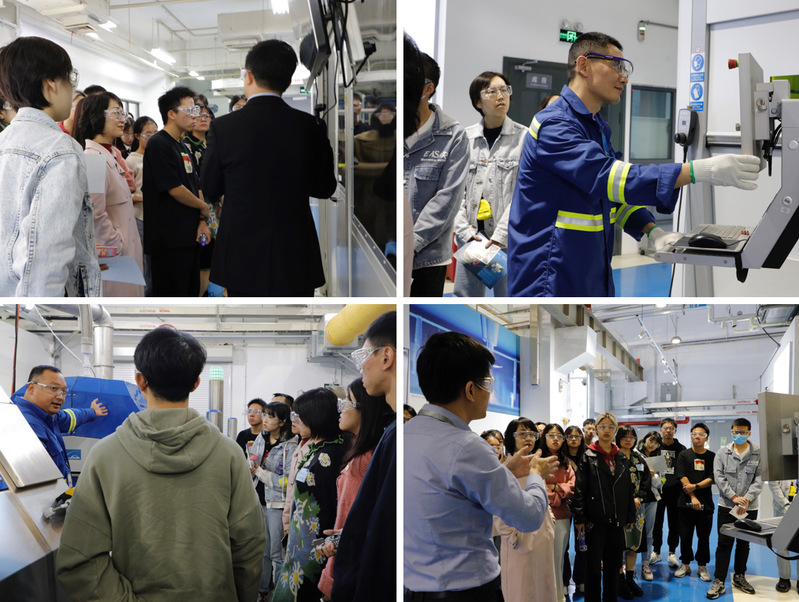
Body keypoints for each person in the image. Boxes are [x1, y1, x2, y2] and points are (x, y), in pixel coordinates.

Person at [507, 31, 761, 296]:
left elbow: (610, 196)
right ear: (583, 65)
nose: (624, 78)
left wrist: (652, 232)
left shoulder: (595, 126)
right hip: (549, 276)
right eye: (616, 66)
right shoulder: (555, 125)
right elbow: (610, 178)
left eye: (625, 69)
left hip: (588, 271)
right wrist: (699, 170)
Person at [56, 327, 265, 601]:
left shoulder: (104, 455)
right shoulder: (229, 454)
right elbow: (249, 545)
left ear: (140, 381)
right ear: (196, 383)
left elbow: (79, 560)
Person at [404, 331, 559, 601]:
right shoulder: (468, 446)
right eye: (487, 383)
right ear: (470, 390)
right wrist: (536, 474)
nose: (490, 391)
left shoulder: (404, 434)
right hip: (467, 590)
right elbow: (529, 516)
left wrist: (504, 471)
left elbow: (450, 491)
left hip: (415, 588)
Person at [202, 39, 336, 297]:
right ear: (287, 81)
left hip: (241, 253)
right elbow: (324, 187)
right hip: (295, 251)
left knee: (247, 314)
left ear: (249, 76)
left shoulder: (223, 128)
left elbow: (209, 186)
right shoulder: (311, 126)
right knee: (297, 313)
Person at [0, 36, 101, 296]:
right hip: (37, 308)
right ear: (51, 84)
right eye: (70, 78)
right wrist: (40, 316)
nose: (72, 88)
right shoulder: (59, 150)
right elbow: (45, 259)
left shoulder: (4, 141)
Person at [331, 311, 397, 601]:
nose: (361, 368)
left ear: (386, 357)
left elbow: (381, 531)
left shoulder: (392, 438)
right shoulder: (390, 434)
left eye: (364, 356)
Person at [453, 71, 525, 297]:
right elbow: (455, 192)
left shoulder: (524, 138)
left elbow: (522, 194)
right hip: (472, 239)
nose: (500, 96)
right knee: (465, 298)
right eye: (492, 91)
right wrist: (464, 232)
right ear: (478, 102)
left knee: (510, 299)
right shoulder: (465, 139)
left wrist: (499, 237)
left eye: (504, 90)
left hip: (507, 240)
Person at [318, 378, 390, 599]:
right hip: (344, 556)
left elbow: (363, 518)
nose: (341, 409)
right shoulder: (359, 451)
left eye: (347, 401)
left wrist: (345, 537)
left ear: (364, 409)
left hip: (350, 564)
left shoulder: (366, 459)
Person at [405, 53, 469, 296]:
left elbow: (448, 198)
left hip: (428, 259)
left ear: (427, 89)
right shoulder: (392, 131)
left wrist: (411, 244)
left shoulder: (453, 135)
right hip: (390, 252)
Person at [273, 388, 345, 602]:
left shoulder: (329, 455)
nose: (294, 420)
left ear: (316, 417)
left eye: (299, 415)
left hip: (316, 549)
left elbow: (330, 507)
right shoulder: (317, 447)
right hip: (301, 546)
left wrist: (323, 545)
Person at [73, 91, 144, 296]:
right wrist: (115, 243)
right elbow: (94, 213)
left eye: (123, 113)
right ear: (96, 116)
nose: (123, 120)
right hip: (114, 256)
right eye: (116, 113)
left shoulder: (111, 153)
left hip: (125, 250)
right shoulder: (93, 159)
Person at [142, 86, 210, 296]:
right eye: (189, 110)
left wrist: (202, 220)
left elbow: (195, 184)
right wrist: (204, 207)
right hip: (169, 241)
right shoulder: (158, 143)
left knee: (190, 293)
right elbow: (174, 188)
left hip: (188, 237)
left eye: (195, 110)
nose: (194, 116)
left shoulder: (182, 144)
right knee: (171, 297)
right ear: (171, 114)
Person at [573, 412, 635, 602]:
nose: (606, 430)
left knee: (613, 565)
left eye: (610, 427)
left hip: (616, 521)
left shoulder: (621, 457)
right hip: (595, 520)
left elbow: (627, 488)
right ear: (596, 430)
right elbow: (580, 489)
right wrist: (580, 518)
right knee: (593, 567)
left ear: (615, 430)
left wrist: (630, 516)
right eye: (602, 426)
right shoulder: (588, 456)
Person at [13, 365, 107, 486]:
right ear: (31, 388)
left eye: (63, 391)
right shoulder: (27, 425)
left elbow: (70, 417)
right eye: (53, 388)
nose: (60, 397)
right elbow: (35, 481)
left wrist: (92, 412)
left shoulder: (48, 417)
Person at [706, 418, 762, 599]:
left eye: (742, 432)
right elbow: (719, 477)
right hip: (727, 506)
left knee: (744, 543)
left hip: (749, 507)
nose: (739, 435)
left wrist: (746, 499)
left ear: (749, 433)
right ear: (731, 432)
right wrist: (733, 497)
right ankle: (719, 580)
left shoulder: (758, 453)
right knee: (724, 543)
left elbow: (759, 479)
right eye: (736, 432)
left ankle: (740, 576)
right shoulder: (722, 453)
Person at [251, 401, 299, 602]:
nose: (265, 420)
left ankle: (279, 595)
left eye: (271, 417)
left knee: (276, 554)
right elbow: (253, 462)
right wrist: (252, 467)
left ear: (282, 422)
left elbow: (287, 481)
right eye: (264, 415)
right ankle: (263, 592)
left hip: (277, 505)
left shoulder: (290, 445)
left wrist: (260, 472)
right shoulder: (261, 438)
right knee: (262, 552)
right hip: (258, 501)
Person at [184, 101, 219, 296]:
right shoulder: (187, 146)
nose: (204, 119)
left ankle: (207, 293)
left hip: (215, 206)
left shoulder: (213, 144)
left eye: (207, 116)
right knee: (202, 257)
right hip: (199, 207)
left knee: (212, 256)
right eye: (199, 115)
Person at [673, 422, 715, 583]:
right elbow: (681, 476)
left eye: (701, 434)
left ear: (706, 438)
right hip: (685, 502)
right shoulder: (684, 455)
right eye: (694, 434)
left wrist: (696, 487)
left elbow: (712, 478)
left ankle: (702, 566)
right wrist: (692, 496)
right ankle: (685, 564)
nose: (697, 436)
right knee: (685, 536)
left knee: (704, 537)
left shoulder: (712, 457)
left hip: (706, 504)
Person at [540, 423, 575, 602]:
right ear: (544, 437)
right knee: (542, 561)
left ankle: (558, 595)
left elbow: (572, 487)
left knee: (559, 558)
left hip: (562, 516)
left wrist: (553, 487)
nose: (555, 439)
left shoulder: (566, 462)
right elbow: (536, 487)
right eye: (551, 435)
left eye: (559, 436)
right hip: (541, 515)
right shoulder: (537, 460)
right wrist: (558, 495)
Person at [615, 425, 652, 599]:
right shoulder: (614, 457)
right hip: (618, 509)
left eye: (631, 436)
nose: (628, 439)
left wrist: (639, 497)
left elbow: (646, 480)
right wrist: (629, 499)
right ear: (618, 438)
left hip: (637, 510)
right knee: (618, 545)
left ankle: (630, 578)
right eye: (625, 436)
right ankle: (620, 581)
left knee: (634, 544)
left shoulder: (638, 458)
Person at [125, 115, 158, 295]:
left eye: (155, 133)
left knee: (154, 262)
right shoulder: (131, 160)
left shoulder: (158, 157)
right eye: (148, 134)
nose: (152, 138)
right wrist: (143, 198)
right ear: (137, 136)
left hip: (157, 217)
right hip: (140, 217)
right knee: (143, 261)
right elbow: (125, 194)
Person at [651, 417, 686, 568]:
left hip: (675, 492)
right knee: (656, 523)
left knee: (674, 523)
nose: (668, 431)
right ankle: (656, 551)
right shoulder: (655, 447)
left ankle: (672, 552)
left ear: (675, 431)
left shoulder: (681, 449)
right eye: (665, 428)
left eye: (671, 428)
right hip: (657, 491)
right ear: (661, 430)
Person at [636, 430, 662, 581]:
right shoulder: (635, 454)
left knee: (649, 533)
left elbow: (660, 483)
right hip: (636, 499)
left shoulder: (658, 460)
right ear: (644, 439)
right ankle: (624, 563)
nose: (652, 444)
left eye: (656, 443)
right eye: (650, 440)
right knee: (631, 531)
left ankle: (645, 564)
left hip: (652, 499)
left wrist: (654, 475)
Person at [563, 425, 586, 592]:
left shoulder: (587, 457)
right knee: (563, 545)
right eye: (570, 436)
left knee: (582, 545)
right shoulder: (559, 458)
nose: (573, 439)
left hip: (583, 507)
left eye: (577, 436)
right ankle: (564, 581)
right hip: (563, 504)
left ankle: (581, 579)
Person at [770, 480, 798, 592]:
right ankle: (784, 578)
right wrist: (784, 503)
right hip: (781, 507)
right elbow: (773, 483)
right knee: (782, 544)